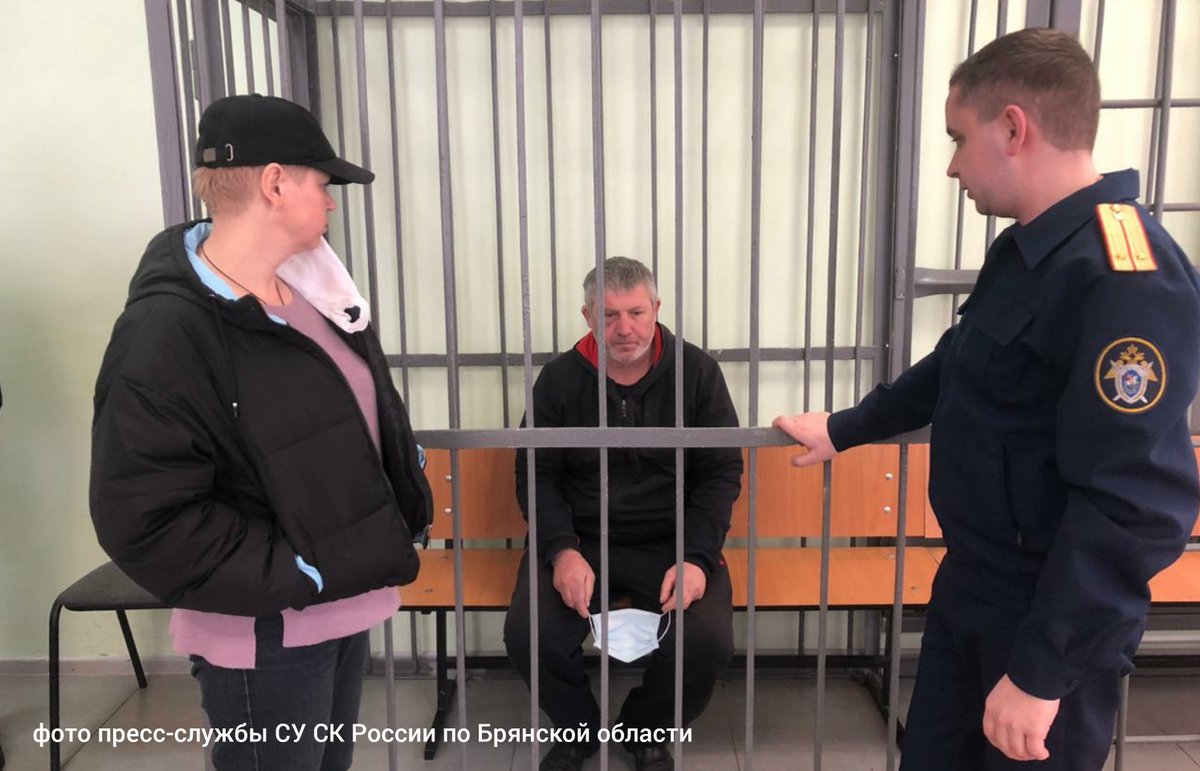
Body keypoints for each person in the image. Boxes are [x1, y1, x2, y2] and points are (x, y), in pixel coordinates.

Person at [774, 28, 1200, 770]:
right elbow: (960, 364)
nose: (951, 166)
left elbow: (1135, 502)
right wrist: (846, 427)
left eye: (958, 138)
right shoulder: (1030, 248)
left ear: (1012, 128)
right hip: (972, 585)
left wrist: (1042, 671)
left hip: (1047, 613)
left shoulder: (1125, 275)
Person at [89, 94, 432, 771]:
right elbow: (143, 515)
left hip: (342, 598)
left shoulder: (311, 296)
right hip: (266, 628)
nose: (330, 202)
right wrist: (293, 572)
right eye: (321, 183)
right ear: (275, 183)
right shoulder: (168, 330)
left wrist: (394, 461)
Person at [504, 257, 743, 771]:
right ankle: (576, 729)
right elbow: (535, 474)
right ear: (588, 316)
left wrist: (697, 557)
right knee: (529, 633)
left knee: (705, 641)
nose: (625, 328)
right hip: (582, 538)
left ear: (656, 308)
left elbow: (720, 473)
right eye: (609, 315)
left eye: (636, 312)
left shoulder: (698, 373)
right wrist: (561, 551)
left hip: (673, 541)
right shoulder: (559, 380)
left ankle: (644, 729)